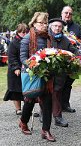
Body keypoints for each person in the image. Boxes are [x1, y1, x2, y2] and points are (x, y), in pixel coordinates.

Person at [19, 12, 55, 142]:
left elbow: (53, 54)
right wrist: (34, 65)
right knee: (29, 101)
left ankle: (46, 130)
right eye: (41, 23)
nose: (44, 25)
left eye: (46, 23)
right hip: (31, 74)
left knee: (47, 102)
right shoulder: (27, 38)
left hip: (47, 76)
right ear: (34, 23)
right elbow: (23, 58)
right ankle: (23, 122)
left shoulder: (49, 38)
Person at [48, 18, 78, 127]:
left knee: (57, 93)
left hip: (60, 73)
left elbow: (73, 50)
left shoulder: (65, 39)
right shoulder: (46, 38)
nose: (57, 28)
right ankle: (43, 113)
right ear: (51, 26)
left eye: (59, 26)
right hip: (47, 72)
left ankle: (57, 117)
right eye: (55, 26)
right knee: (45, 94)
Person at [61, 6, 81, 113]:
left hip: (72, 60)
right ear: (62, 13)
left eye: (70, 13)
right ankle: (54, 107)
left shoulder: (76, 28)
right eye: (66, 13)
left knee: (68, 83)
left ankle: (65, 104)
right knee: (57, 84)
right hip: (59, 59)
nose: (68, 15)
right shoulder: (56, 25)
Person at [3, 23, 28, 115]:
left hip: (25, 69)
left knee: (26, 90)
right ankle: (18, 109)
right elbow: (12, 57)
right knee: (15, 91)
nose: (24, 34)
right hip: (15, 70)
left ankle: (27, 109)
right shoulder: (14, 43)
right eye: (23, 32)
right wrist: (16, 68)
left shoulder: (28, 41)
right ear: (18, 32)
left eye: (26, 32)